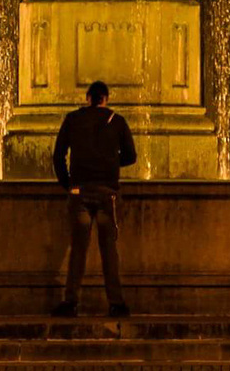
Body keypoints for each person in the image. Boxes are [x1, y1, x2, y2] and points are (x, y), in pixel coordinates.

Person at [51, 80, 136, 317]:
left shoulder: (73, 119)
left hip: (79, 192)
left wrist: (67, 183)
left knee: (78, 248)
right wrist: (109, 162)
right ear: (106, 99)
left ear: (88, 98)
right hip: (107, 193)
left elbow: (58, 156)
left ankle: (70, 301)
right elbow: (131, 156)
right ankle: (116, 303)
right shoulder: (117, 121)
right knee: (109, 249)